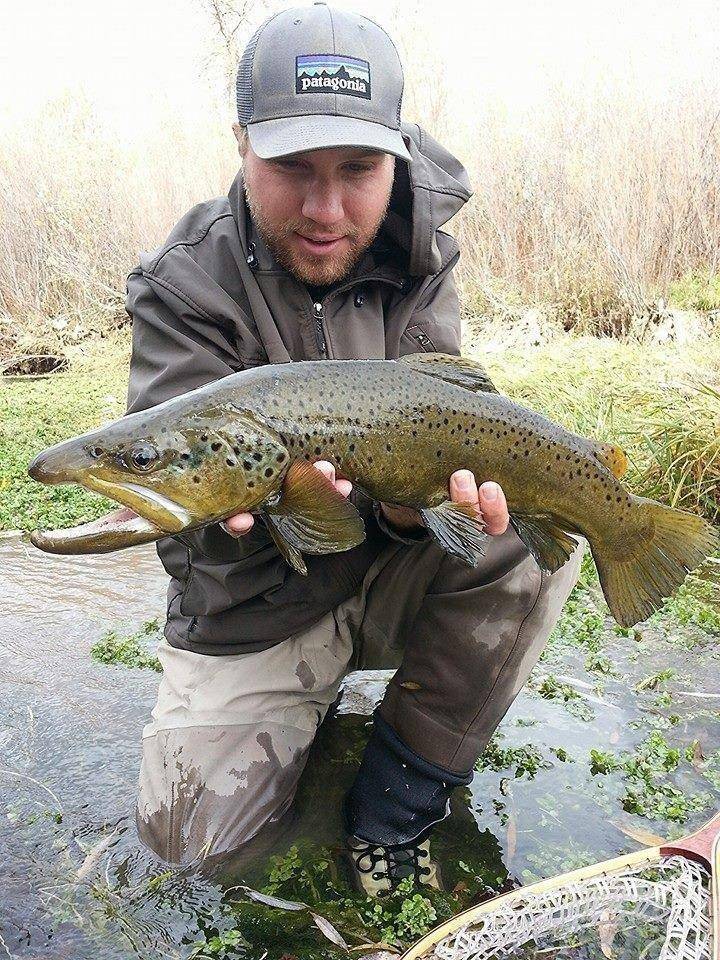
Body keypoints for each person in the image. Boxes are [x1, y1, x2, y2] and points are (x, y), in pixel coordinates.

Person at [125, 2, 582, 895]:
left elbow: (437, 419)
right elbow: (182, 524)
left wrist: (415, 510)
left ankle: (399, 799)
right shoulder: (182, 283)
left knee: (528, 536)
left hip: (380, 567)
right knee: (196, 858)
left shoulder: (419, 251)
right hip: (253, 605)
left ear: (397, 157)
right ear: (242, 144)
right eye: (292, 167)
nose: (327, 207)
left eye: (359, 170)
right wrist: (247, 517)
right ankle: (302, 704)